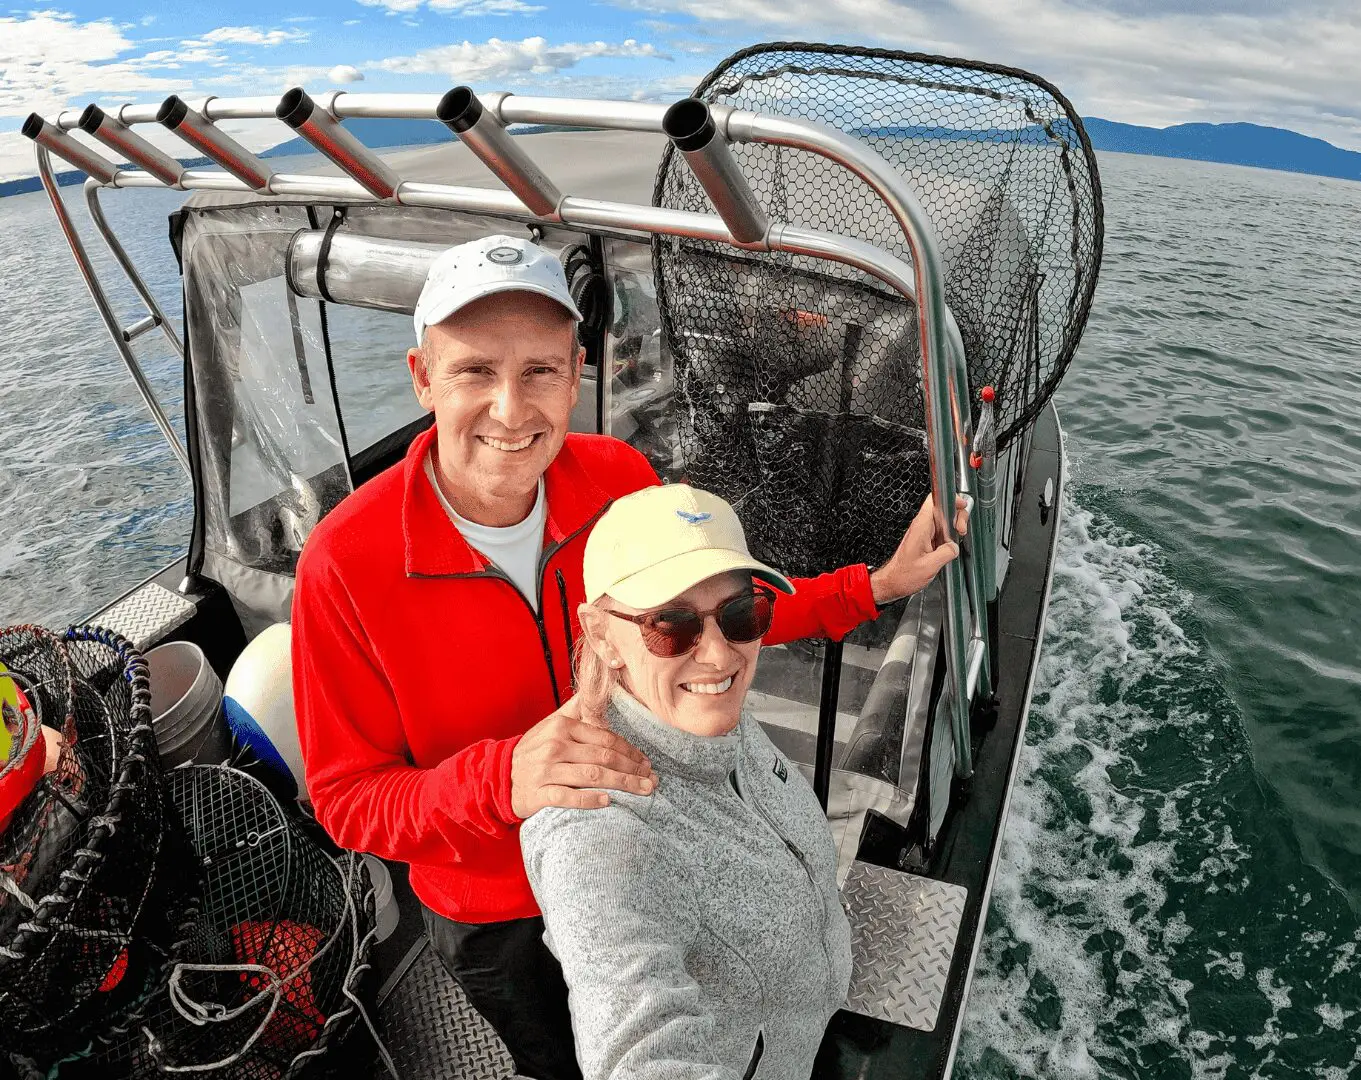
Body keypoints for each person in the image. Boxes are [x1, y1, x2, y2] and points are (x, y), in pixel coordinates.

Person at [291, 234, 961, 1080]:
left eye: (539, 371)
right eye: (474, 372)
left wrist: (875, 586)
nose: (510, 408)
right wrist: (501, 780)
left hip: (660, 850)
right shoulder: (342, 566)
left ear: (577, 375)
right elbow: (348, 801)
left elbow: (702, 621)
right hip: (498, 916)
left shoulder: (617, 477)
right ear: (422, 376)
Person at [523, 483, 851, 1080]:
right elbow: (639, 1047)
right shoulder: (598, 833)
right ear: (601, 634)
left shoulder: (709, 714)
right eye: (670, 626)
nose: (721, 656)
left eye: (740, 613)